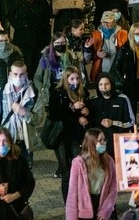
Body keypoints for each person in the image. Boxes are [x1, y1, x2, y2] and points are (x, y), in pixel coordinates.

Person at [50, 66, 90, 201]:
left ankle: (77, 198)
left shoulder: (83, 92)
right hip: (61, 136)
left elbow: (88, 109)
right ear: (66, 79)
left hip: (75, 137)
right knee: (66, 171)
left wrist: (86, 112)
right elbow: (55, 114)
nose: (75, 82)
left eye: (77, 78)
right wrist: (73, 109)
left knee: (77, 169)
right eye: (72, 79)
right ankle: (68, 202)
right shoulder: (57, 93)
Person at [0, 127, 36, 220]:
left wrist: (15, 195)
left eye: (5, 141)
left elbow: (30, 183)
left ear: (10, 143)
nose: (1, 144)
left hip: (15, 210)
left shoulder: (19, 161)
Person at [0, 62, 37, 166]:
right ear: (10, 74)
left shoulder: (33, 93)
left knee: (24, 175)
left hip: (25, 143)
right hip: (7, 142)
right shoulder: (1, 93)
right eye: (15, 74)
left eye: (21, 74)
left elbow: (38, 119)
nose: (18, 77)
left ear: (26, 74)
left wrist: (24, 112)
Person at [65, 128, 118, 220]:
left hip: (101, 206)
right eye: (100, 140)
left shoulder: (109, 161)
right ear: (91, 143)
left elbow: (113, 189)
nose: (104, 143)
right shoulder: (78, 163)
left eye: (104, 140)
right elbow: (72, 194)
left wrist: (105, 210)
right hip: (84, 211)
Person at [7, 0, 52, 76]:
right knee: (25, 62)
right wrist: (19, 26)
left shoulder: (41, 1)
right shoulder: (16, 0)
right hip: (22, 37)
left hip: (37, 37)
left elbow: (46, 17)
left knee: (36, 63)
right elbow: (11, 15)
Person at [87, 73, 135, 156]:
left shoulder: (122, 99)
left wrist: (113, 123)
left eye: (107, 84)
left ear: (112, 84)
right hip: (100, 144)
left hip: (118, 141)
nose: (104, 87)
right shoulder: (94, 101)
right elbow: (90, 124)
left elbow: (131, 122)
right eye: (101, 84)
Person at [110, 23, 139, 108]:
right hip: (131, 82)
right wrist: (123, 81)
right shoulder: (125, 49)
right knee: (131, 106)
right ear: (132, 35)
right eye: (137, 34)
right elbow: (117, 67)